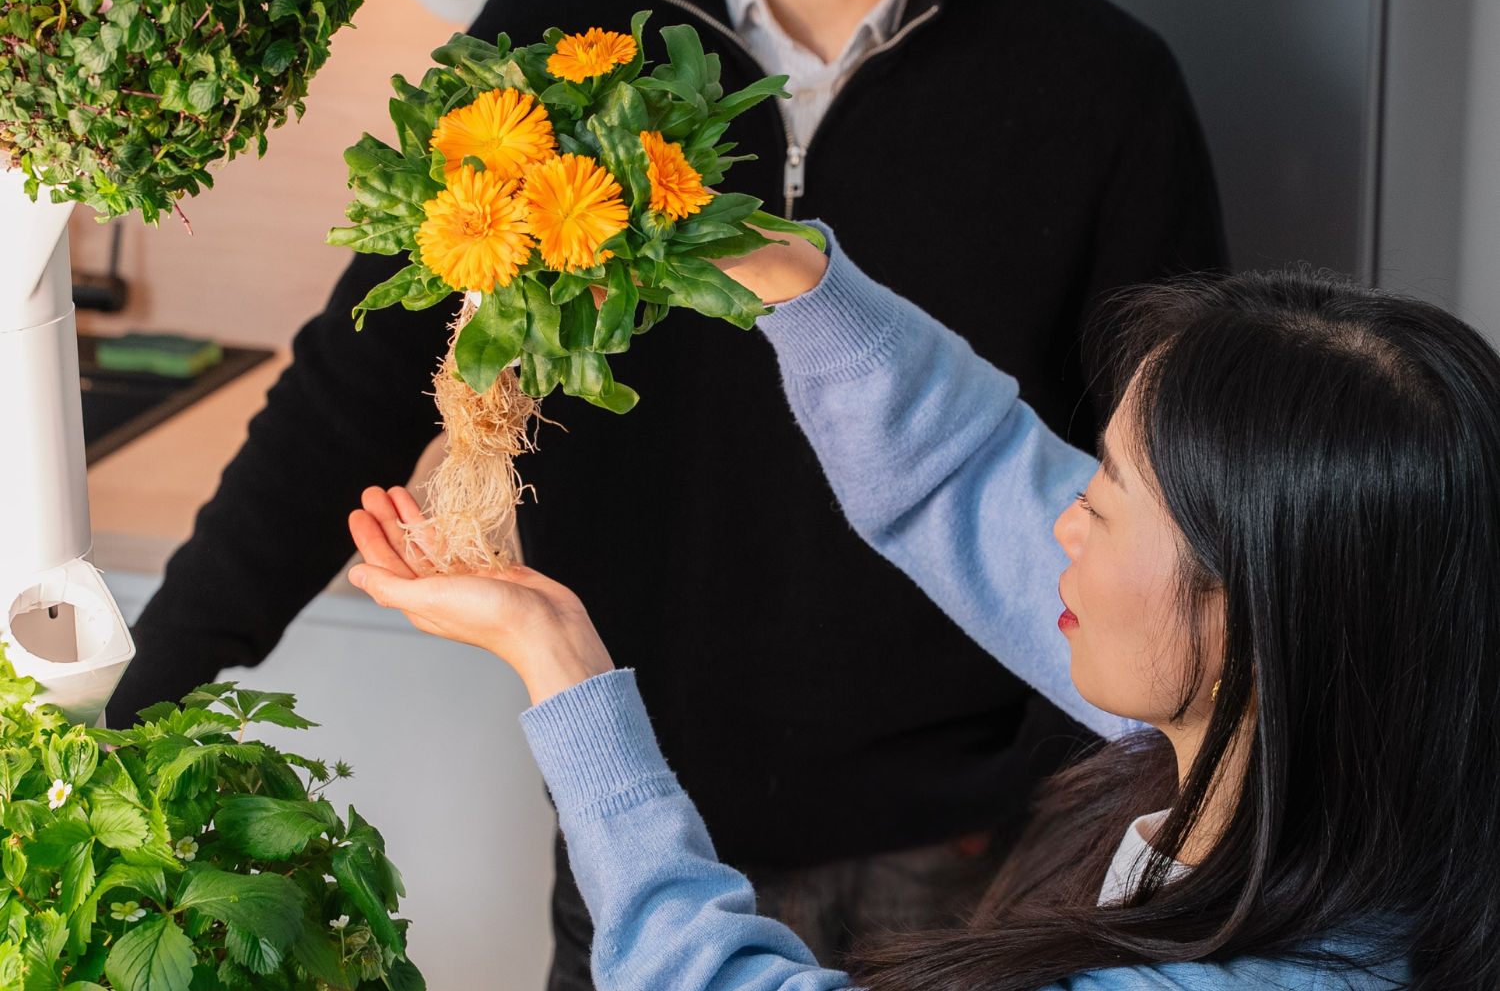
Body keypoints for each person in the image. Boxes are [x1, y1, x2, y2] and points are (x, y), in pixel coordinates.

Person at [111, 0, 1225, 982]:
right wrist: (128, 712)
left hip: (957, 844)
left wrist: (1062, 805)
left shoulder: (1102, 79)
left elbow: (1155, 503)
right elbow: (349, 392)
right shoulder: (558, 38)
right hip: (627, 784)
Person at [345, 225, 1500, 990]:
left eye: (1108, 491)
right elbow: (978, 478)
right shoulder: (1354, 754)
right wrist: (797, 282)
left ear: (1253, 602)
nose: (1064, 518)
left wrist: (563, 670)